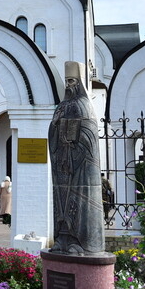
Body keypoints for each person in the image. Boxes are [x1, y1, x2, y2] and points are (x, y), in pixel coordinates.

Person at [48, 61, 105, 255]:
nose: (68, 86)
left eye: (72, 81)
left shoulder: (84, 105)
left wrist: (75, 138)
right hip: (62, 165)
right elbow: (52, 132)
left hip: (80, 167)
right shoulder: (61, 106)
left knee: (79, 203)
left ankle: (80, 242)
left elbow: (90, 134)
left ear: (79, 82)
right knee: (61, 202)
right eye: (66, 82)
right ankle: (62, 240)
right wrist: (55, 126)